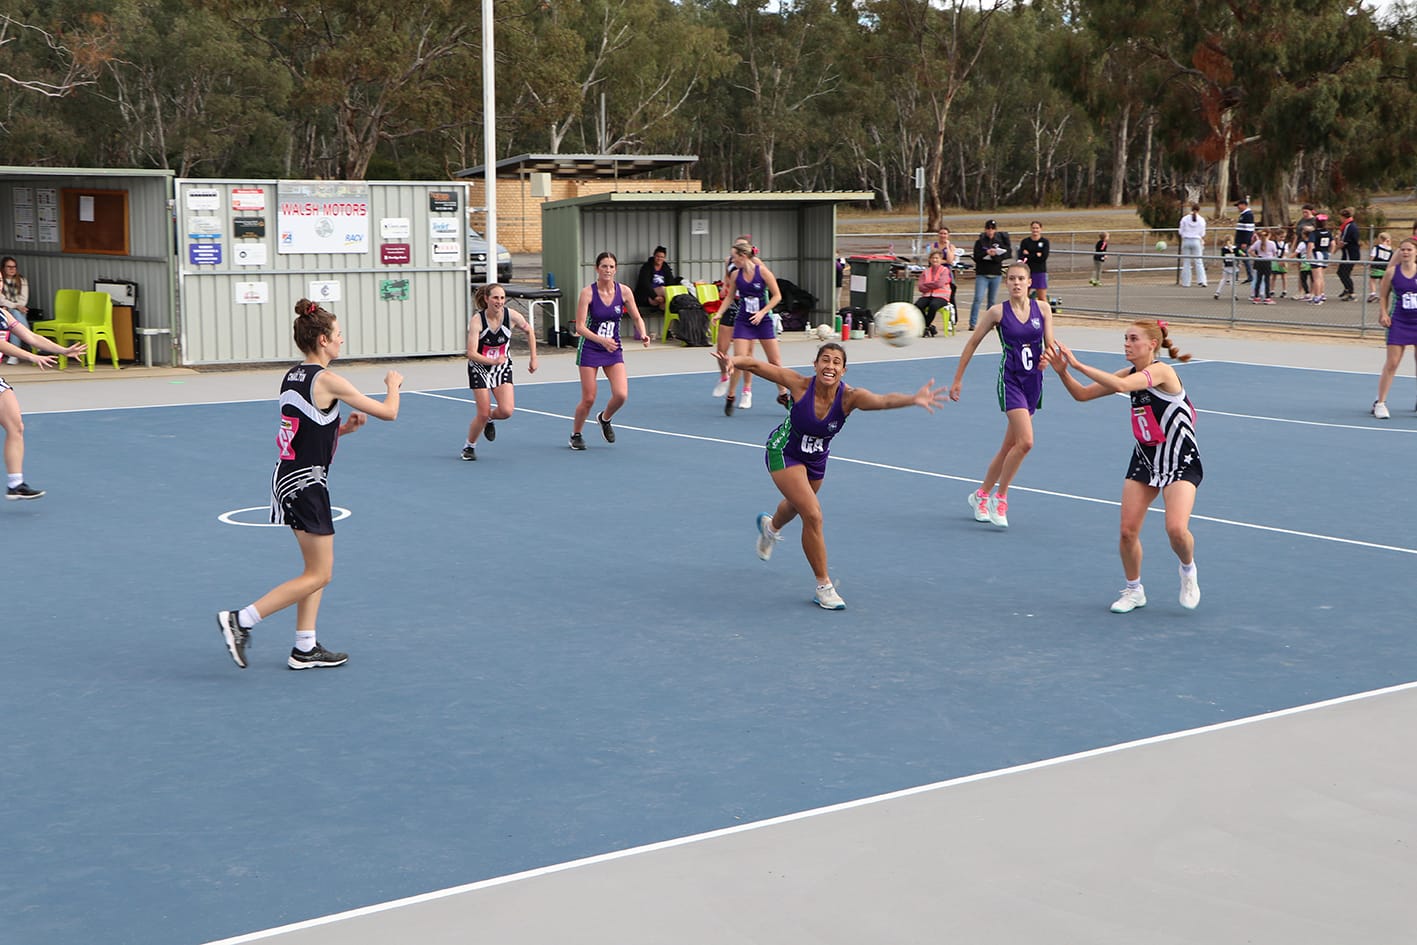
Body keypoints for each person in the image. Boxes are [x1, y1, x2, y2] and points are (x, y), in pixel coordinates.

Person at [216, 299, 403, 670]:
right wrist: (393, 384)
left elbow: (305, 434)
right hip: (305, 484)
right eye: (337, 335)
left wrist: (342, 430)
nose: (341, 340)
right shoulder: (330, 380)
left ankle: (305, 646)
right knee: (320, 573)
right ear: (322, 340)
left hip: (289, 477)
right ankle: (241, 620)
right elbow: (390, 412)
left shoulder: (292, 376)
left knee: (313, 570)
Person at [715, 342, 947, 610]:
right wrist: (733, 361)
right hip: (784, 451)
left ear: (844, 370)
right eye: (825, 360)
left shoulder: (849, 398)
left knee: (795, 505)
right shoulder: (800, 385)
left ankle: (770, 528)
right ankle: (824, 586)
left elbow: (883, 401)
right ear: (815, 365)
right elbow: (756, 365)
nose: (830, 366)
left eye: (837, 362)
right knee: (812, 514)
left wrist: (913, 399)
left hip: (816, 461)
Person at [1044, 320, 1202, 613]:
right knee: (1128, 531)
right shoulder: (1129, 373)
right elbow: (1082, 395)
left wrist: (1077, 364)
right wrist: (1063, 372)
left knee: (1176, 529)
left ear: (1151, 344)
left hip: (1180, 460)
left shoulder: (1162, 371)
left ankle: (1188, 570)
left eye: (1133, 338)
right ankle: (1134, 590)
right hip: (1145, 458)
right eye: (1124, 338)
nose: (1126, 343)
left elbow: (1120, 386)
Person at [951, 261, 1057, 529]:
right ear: (1006, 283)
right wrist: (958, 379)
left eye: (1021, 278)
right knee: (1026, 442)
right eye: (1011, 279)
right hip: (1010, 381)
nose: (1016, 283)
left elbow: (1051, 345)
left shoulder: (1042, 309)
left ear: (1029, 282)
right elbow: (972, 343)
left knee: (1008, 447)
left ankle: (981, 495)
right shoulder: (997, 312)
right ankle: (1001, 496)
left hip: (1034, 381)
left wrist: (1047, 357)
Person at [0, 309, 86, 499]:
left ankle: (15, 485)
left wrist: (63, 350)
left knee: (16, 427)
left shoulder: (4, 314)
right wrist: (31, 356)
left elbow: (30, 336)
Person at [570, 251, 650, 449]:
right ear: (597, 269)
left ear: (616, 269)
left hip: (613, 349)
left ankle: (604, 418)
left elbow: (637, 317)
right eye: (604, 266)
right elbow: (579, 327)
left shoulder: (624, 292)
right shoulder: (587, 293)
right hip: (590, 347)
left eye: (611, 267)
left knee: (621, 395)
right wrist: (601, 340)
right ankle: (576, 434)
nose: (608, 270)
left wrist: (643, 333)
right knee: (589, 398)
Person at [460, 283, 538, 461]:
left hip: (501, 366)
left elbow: (529, 331)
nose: (499, 301)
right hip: (479, 367)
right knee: (482, 411)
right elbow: (471, 353)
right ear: (487, 299)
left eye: (502, 298)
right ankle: (469, 446)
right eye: (495, 297)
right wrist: (491, 361)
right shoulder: (477, 320)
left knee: (506, 411)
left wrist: (533, 357)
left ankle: (489, 419)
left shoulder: (511, 316)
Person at [716, 237, 786, 416]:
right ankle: (731, 396)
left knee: (775, 361)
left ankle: (783, 394)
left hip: (762, 320)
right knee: (740, 359)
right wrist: (719, 313)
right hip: (744, 320)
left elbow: (777, 296)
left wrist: (763, 312)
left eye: (734, 257)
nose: (732, 260)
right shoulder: (735, 275)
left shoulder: (762, 272)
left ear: (743, 256)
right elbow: (730, 297)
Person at [1370, 237, 1417, 420]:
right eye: (1402, 250)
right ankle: (1380, 403)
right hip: (1399, 321)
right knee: (1392, 363)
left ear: (1415, 252)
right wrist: (1383, 313)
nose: (1405, 253)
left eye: (1409, 250)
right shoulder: (1391, 272)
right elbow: (1383, 296)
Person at [711, 235, 758, 408]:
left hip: (747, 307)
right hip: (731, 305)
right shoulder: (729, 261)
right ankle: (724, 374)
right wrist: (725, 285)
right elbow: (727, 279)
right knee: (721, 349)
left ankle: (747, 391)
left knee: (746, 355)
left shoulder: (756, 264)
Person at [969, 219, 1011, 330]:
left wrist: (993, 255)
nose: (990, 231)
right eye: (988, 228)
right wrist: (985, 253)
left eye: (992, 229)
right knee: (978, 298)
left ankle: (989, 323)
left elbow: (1002, 257)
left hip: (995, 273)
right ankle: (973, 323)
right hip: (982, 273)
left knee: (992, 301)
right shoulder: (980, 242)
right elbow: (976, 257)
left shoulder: (999, 242)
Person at [914, 250, 953, 337]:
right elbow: (920, 287)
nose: (935, 260)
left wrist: (927, 284)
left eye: (937, 258)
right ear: (929, 260)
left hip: (942, 296)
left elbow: (940, 283)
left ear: (941, 260)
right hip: (927, 295)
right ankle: (929, 327)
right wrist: (933, 284)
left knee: (933, 305)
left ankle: (926, 327)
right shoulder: (926, 272)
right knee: (917, 306)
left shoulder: (945, 270)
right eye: (933, 258)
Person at [1, 257, 32, 365]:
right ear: (3, 268)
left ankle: (14, 355)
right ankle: (32, 340)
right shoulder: (1, 280)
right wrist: (14, 306)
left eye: (14, 267)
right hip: (5, 309)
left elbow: (24, 299)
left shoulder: (22, 280)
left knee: (15, 315)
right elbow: (1, 299)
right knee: (14, 315)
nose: (12, 269)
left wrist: (17, 306)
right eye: (9, 267)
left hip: (18, 310)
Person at [634, 245, 677, 312]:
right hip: (649, 296)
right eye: (657, 256)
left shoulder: (666, 268)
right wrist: (655, 296)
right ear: (654, 256)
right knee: (664, 289)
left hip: (662, 298)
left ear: (664, 258)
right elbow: (645, 284)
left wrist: (662, 298)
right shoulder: (646, 267)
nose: (659, 258)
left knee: (668, 307)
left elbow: (671, 282)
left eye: (662, 257)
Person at [1018, 220, 1051, 302]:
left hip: (1040, 271)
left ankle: (1044, 314)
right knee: (1024, 296)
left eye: (1037, 228)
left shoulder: (1044, 242)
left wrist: (1029, 255)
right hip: (1027, 271)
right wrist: (1035, 255)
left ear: (1040, 229)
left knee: (1042, 297)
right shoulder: (1025, 242)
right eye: (1033, 228)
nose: (1035, 230)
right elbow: (1022, 256)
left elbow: (1043, 257)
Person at [1177, 205, 1208, 288]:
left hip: (1186, 240)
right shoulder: (1201, 220)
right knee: (1198, 261)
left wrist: (1184, 235)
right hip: (1196, 241)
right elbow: (1202, 233)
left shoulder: (1185, 219)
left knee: (1186, 262)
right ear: (1198, 210)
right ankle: (1202, 281)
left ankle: (1186, 282)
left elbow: (1180, 231)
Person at [1335, 207, 1361, 301]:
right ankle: (1347, 289)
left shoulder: (1349, 226)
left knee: (1344, 273)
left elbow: (1343, 242)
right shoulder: (1347, 226)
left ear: (1344, 217)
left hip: (1350, 254)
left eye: (1341, 217)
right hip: (1346, 254)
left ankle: (1352, 293)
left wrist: (1335, 249)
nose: (1340, 219)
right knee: (1341, 272)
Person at [1249, 227, 1277, 304]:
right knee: (1267, 280)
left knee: (1258, 279)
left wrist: (1255, 256)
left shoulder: (1257, 242)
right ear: (1269, 235)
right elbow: (1275, 253)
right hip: (1267, 262)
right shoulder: (1272, 243)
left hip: (1259, 261)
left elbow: (1250, 250)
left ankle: (1256, 297)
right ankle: (1267, 297)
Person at [1309, 213, 1332, 304]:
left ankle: (1317, 296)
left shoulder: (1314, 233)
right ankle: (1322, 294)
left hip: (1317, 254)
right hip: (1325, 254)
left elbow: (1310, 245)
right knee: (1321, 276)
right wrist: (1330, 252)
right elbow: (1333, 243)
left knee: (1316, 278)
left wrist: (1308, 255)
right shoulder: (1328, 233)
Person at [1234, 199, 1256, 284]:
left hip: (1242, 241)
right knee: (1238, 258)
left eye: (1239, 205)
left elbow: (1248, 230)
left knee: (1245, 259)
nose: (1238, 208)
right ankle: (1236, 276)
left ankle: (1250, 276)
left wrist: (1245, 242)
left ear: (1244, 205)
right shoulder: (1243, 215)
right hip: (1239, 240)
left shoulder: (1248, 215)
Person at [1367, 232, 1393, 303]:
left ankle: (1373, 293)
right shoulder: (1390, 250)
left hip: (1376, 266)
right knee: (1381, 281)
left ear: (1381, 239)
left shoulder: (1377, 248)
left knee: (1372, 280)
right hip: (1384, 267)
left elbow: (1373, 256)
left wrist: (1369, 263)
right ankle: (1381, 295)